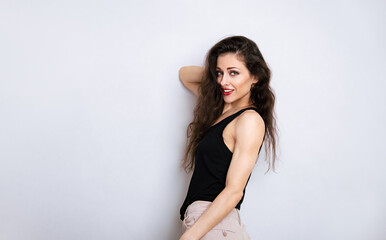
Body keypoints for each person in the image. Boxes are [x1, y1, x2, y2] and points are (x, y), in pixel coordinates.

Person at [178, 35, 278, 240]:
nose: (224, 81)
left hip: (214, 224)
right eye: (219, 73)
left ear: (255, 77)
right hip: (209, 223)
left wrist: (190, 237)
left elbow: (234, 191)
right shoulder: (221, 110)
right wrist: (226, 71)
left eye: (234, 73)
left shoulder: (249, 120)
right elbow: (185, 74)